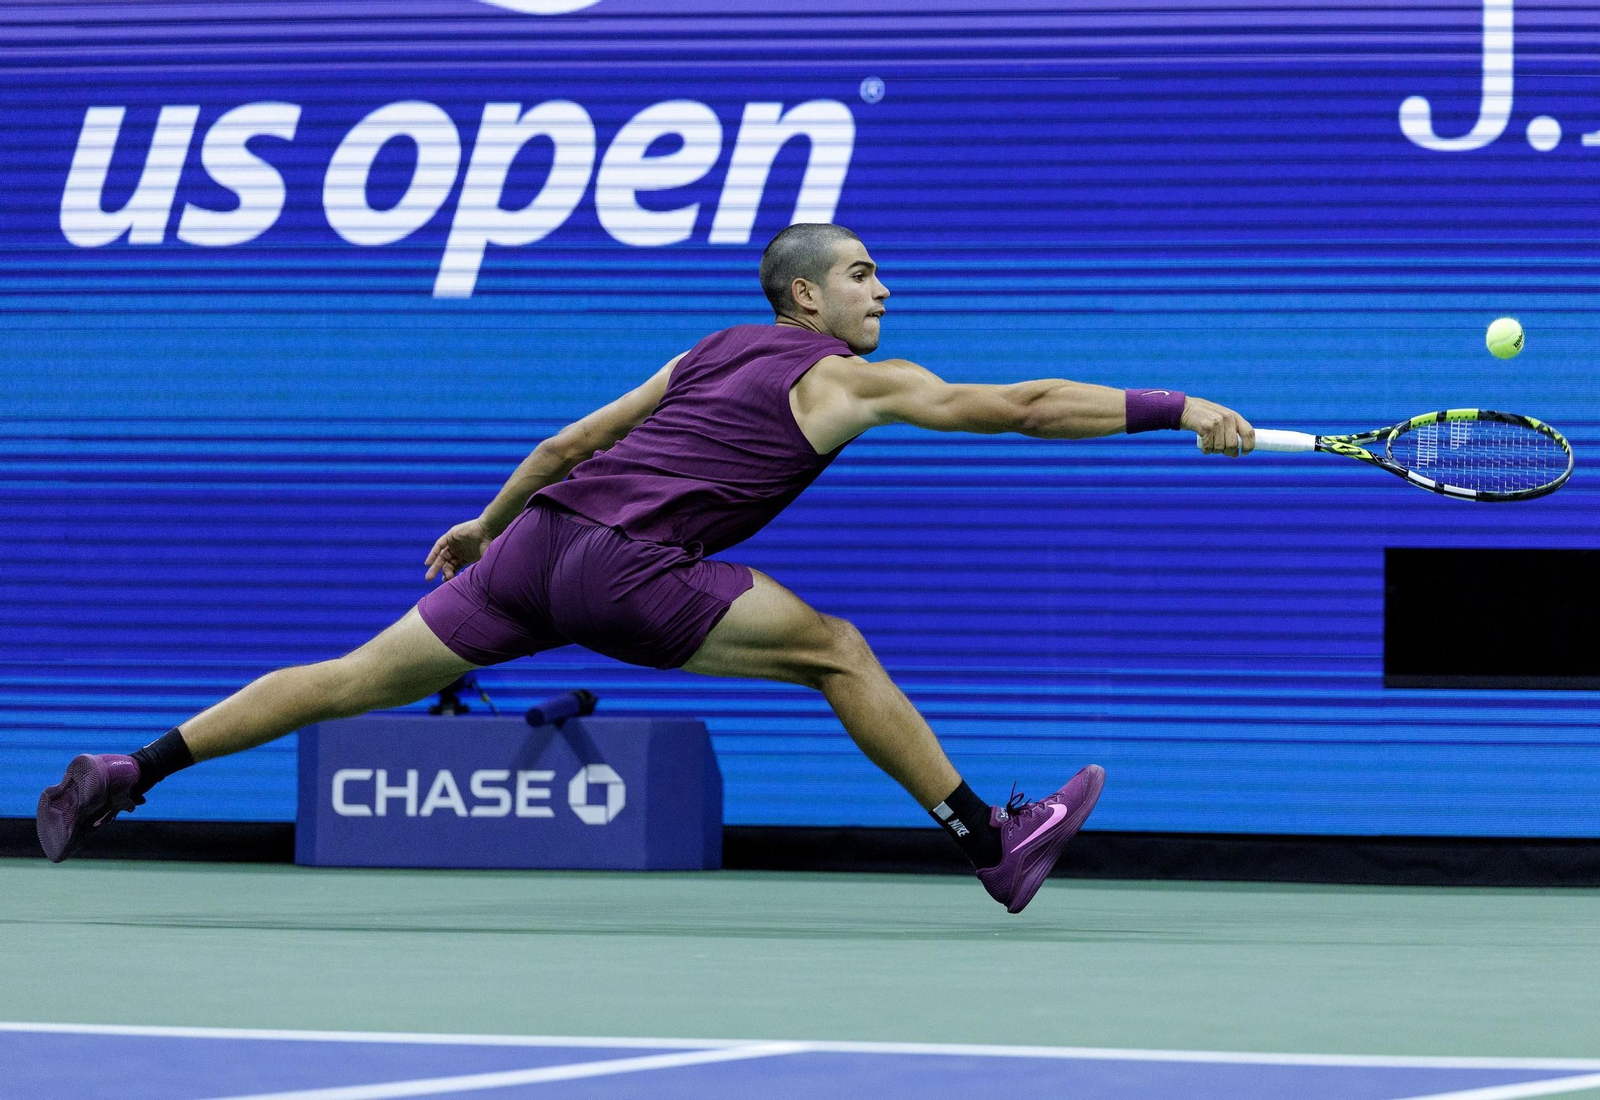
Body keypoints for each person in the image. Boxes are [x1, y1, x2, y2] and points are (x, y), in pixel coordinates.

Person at [36, 223, 1254, 914]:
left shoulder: (707, 348)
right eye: (863, 274)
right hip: (624, 563)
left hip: (532, 546)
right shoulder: (843, 375)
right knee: (838, 648)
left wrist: (482, 525)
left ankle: (125, 766)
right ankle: (991, 836)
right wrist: (1179, 402)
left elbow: (571, 442)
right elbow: (1027, 405)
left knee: (354, 673)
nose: (885, 288)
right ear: (805, 295)